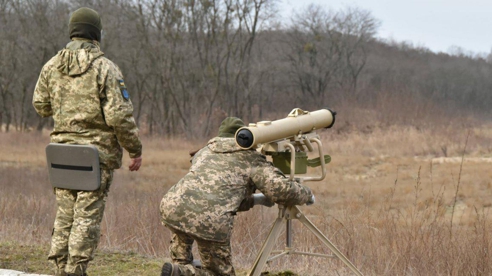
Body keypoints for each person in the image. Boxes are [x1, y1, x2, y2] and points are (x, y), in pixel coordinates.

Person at [32, 7, 143, 276]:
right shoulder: (105, 68)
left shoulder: (51, 66)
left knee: (65, 214)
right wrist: (135, 149)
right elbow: (119, 116)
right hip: (94, 157)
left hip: (60, 156)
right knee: (86, 217)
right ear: (96, 33)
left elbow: (40, 105)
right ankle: (75, 270)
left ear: (72, 30)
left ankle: (61, 268)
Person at [159, 117, 314, 276]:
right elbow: (281, 191)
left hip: (173, 207)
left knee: (181, 254)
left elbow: (222, 195)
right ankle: (183, 273)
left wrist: (258, 199)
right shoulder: (249, 158)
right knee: (219, 273)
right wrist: (307, 194)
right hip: (209, 219)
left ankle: (178, 269)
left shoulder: (204, 151)